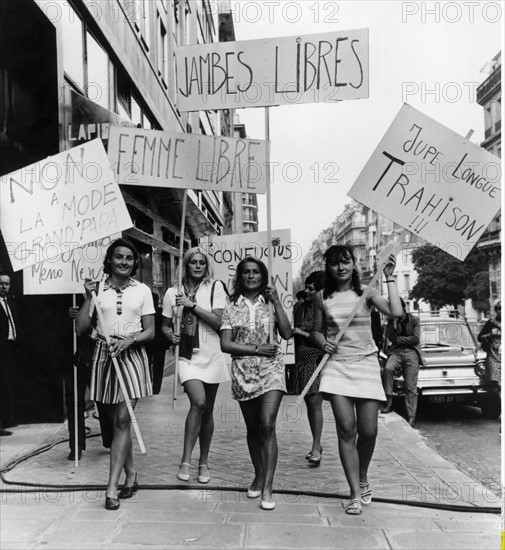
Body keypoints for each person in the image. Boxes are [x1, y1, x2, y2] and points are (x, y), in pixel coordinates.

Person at [312, 245, 402, 516]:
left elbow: (396, 312)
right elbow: (316, 332)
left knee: (369, 432)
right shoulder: (320, 297)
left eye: (346, 262)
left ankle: (362, 476)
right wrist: (323, 343)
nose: (341, 268)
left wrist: (389, 277)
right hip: (337, 366)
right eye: (335, 263)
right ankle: (353, 492)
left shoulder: (367, 292)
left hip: (365, 364)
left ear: (354, 264)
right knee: (346, 429)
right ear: (327, 267)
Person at [75, 238, 155, 511]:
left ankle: (111, 487)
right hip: (103, 355)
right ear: (109, 260)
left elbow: (150, 331)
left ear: (135, 263)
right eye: (119, 257)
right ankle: (131, 475)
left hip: (132, 354)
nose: (124, 262)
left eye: (129, 258)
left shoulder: (142, 290)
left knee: (123, 419)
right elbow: (81, 329)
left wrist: (129, 341)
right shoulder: (97, 289)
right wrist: (87, 298)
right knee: (112, 422)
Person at [220, 257, 292, 510]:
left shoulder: (270, 304)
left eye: (256, 272)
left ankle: (269, 486)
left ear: (263, 277)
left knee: (267, 424)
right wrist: (255, 349)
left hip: (272, 369)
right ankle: (259, 475)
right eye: (247, 273)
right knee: (253, 428)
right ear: (240, 278)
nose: (251, 276)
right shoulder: (230, 308)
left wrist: (277, 302)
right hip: (243, 371)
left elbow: (287, 333)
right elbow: (226, 344)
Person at [162, 248, 229, 485]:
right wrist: (170, 335)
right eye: (193, 262)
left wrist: (191, 306)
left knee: (207, 410)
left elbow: (218, 321)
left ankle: (204, 461)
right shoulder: (172, 292)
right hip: (187, 357)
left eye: (202, 262)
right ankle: (185, 460)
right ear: (186, 265)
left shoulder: (215, 288)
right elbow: (165, 325)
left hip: (212, 354)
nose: (198, 266)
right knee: (198, 403)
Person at [293, 270, 326, 465]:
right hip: (301, 361)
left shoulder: (322, 308)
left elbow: (322, 337)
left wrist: (302, 334)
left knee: (315, 403)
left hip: (316, 360)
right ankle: (316, 443)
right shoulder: (300, 307)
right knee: (309, 404)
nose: (306, 291)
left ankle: (316, 446)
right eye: (306, 287)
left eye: (311, 288)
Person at [380, 298, 425, 428]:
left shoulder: (415, 320)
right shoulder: (390, 320)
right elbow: (391, 338)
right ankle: (388, 402)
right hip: (396, 352)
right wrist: (393, 325)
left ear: (403, 308)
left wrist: (399, 339)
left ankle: (411, 416)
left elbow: (415, 339)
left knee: (410, 385)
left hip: (411, 352)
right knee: (388, 369)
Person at [0, 272, 22, 436]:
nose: (4, 287)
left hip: (10, 349)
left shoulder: (11, 303)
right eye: (1, 283)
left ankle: (5, 421)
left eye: (6, 284)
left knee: (6, 386)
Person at [478, 300, 501, 395]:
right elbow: (480, 338)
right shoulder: (491, 323)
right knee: (498, 384)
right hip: (494, 356)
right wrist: (490, 334)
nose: (501, 311)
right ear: (496, 310)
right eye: (499, 309)